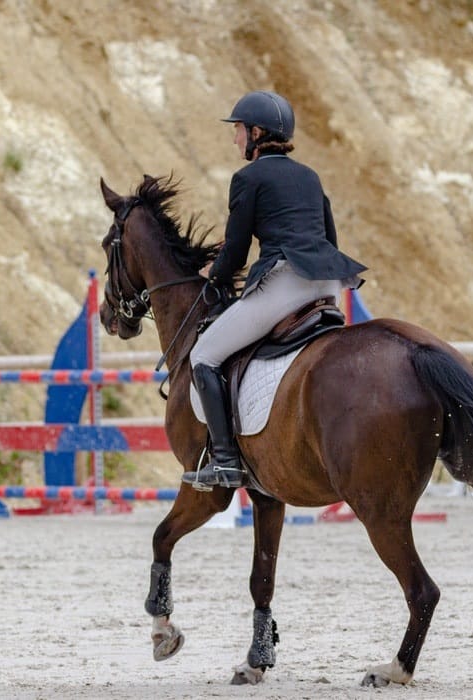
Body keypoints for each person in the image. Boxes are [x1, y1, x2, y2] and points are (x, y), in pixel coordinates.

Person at [181, 90, 367, 491]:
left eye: (238, 130)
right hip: (327, 285)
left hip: (286, 282)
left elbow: (235, 248)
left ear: (257, 132)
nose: (235, 139)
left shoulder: (247, 178)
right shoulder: (310, 176)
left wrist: (214, 274)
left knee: (203, 356)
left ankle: (227, 461)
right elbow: (329, 238)